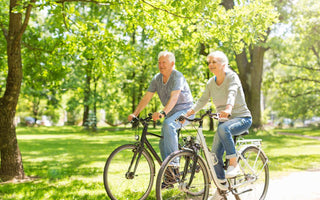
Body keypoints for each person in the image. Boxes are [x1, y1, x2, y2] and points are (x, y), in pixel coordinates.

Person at [184, 51, 252, 198]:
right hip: (224, 122)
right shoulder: (211, 83)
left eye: (214, 62)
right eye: (209, 62)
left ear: (224, 64)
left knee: (223, 128)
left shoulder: (232, 77)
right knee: (214, 155)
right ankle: (222, 189)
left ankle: (233, 163)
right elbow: (202, 100)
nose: (211, 65)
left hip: (242, 118)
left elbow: (232, 93)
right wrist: (189, 112)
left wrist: (228, 108)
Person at [128, 51, 194, 166]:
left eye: (164, 62)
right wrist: (135, 113)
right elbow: (147, 97)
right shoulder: (157, 79)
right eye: (159, 63)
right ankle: (169, 176)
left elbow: (174, 98)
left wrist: (162, 113)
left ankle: (174, 164)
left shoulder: (177, 76)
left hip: (186, 111)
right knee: (163, 143)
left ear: (172, 64)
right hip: (171, 113)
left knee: (168, 124)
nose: (161, 65)